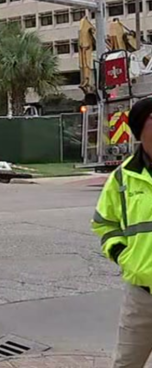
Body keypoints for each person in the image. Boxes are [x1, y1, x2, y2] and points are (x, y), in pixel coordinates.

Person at [93, 96, 152, 368]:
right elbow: (104, 222)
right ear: (141, 130)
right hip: (142, 297)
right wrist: (121, 254)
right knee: (127, 363)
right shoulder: (122, 178)